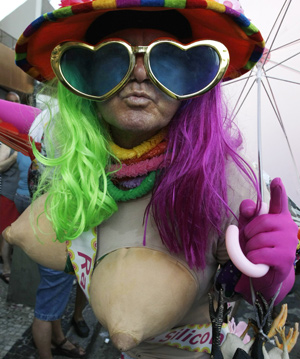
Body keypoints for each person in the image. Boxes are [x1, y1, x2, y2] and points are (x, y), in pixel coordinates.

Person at [3, 0, 298, 358]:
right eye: (114, 58)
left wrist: (271, 275)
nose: (140, 74)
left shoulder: (226, 179)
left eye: (168, 60)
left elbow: (253, 291)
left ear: (195, 76)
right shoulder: (74, 158)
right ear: (83, 73)